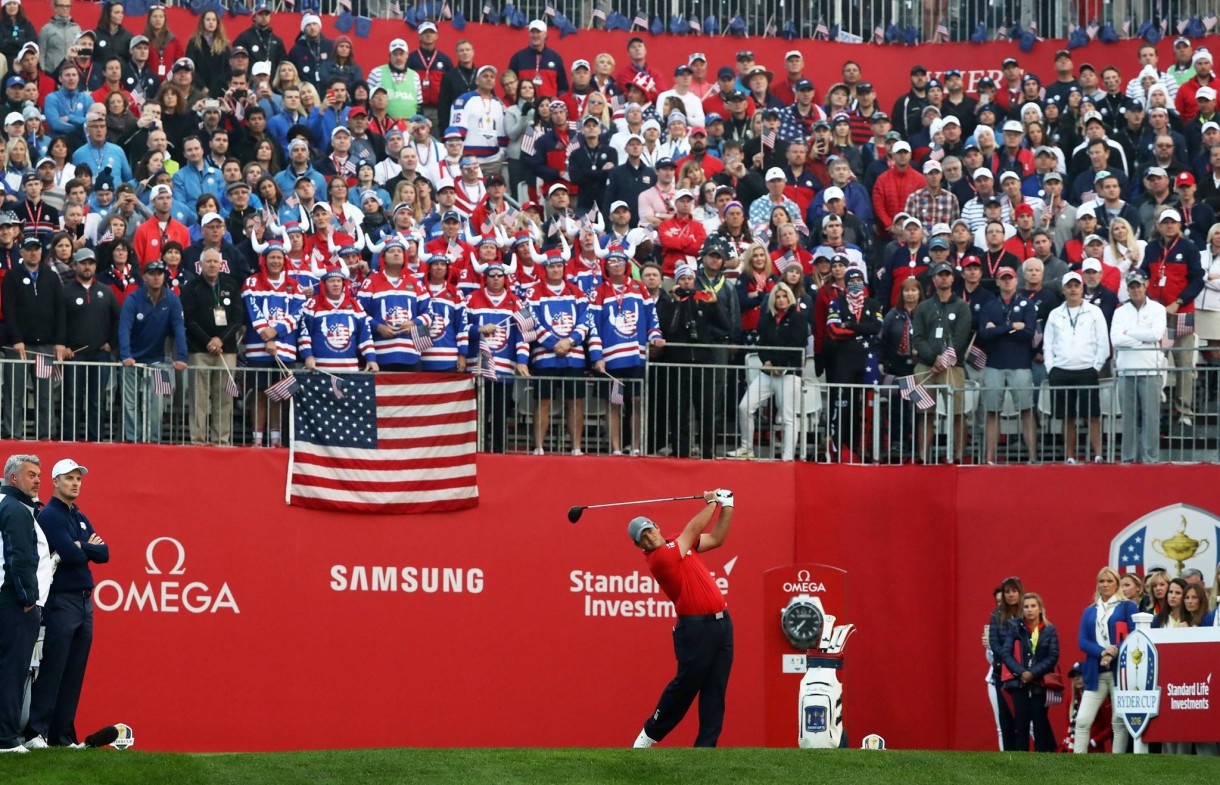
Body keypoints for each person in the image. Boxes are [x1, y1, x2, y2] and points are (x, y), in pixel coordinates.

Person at [630, 489, 734, 749]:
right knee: (686, 686)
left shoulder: (677, 543)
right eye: (643, 537)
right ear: (640, 546)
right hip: (694, 629)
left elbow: (717, 539)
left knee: (715, 687)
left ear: (657, 527)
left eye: (650, 530)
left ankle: (705, 749)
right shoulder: (659, 558)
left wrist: (728, 506)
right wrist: (712, 502)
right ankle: (649, 734)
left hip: (722, 624)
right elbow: (693, 529)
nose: (650, 536)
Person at [22, 458, 106, 750]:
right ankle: (36, 733)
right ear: (55, 481)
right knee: (53, 668)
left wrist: (85, 547)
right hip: (60, 601)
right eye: (69, 478)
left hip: (84, 601)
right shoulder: (51, 516)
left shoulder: (79, 516)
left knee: (74, 671)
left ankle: (62, 736)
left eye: (78, 479)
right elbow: (70, 555)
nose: (75, 483)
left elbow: (105, 553)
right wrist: (85, 547)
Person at [728, 283, 806, 461]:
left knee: (788, 416)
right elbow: (761, 344)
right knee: (745, 406)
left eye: (784, 296)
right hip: (767, 373)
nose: (780, 300)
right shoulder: (767, 318)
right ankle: (746, 448)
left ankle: (787, 458)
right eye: (777, 297)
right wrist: (767, 361)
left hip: (789, 373)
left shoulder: (798, 319)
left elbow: (796, 345)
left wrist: (780, 364)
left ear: (789, 298)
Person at [0, 453, 45, 754]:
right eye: (31, 474)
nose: (38, 479)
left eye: (39, 474)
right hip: (15, 601)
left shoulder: (10, 505)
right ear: (14, 478)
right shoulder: (15, 508)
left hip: (9, 597)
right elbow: (20, 558)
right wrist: (28, 599)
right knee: (13, 671)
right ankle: (5, 739)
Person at [118, 259, 188, 443]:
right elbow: (124, 327)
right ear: (144, 277)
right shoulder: (133, 298)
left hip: (158, 358)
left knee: (156, 403)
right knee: (130, 402)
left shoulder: (172, 299)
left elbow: (179, 328)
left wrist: (182, 357)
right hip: (133, 358)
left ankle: (152, 439)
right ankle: (133, 439)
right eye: (152, 273)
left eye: (159, 273)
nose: (156, 277)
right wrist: (126, 355)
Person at [1043, 272, 1110, 463]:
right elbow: (1048, 344)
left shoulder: (1094, 312)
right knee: (1067, 416)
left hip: (1087, 370)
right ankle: (1070, 456)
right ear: (1063, 289)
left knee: (1093, 415)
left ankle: (1098, 454)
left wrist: (1095, 367)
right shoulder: (1055, 314)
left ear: (1082, 288)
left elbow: (1103, 342)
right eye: (1069, 286)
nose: (1073, 289)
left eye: (1076, 286)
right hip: (1061, 370)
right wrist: (1051, 368)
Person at [181, 248, 243, 447]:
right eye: (208, 261)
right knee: (198, 398)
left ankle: (221, 440)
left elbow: (236, 318)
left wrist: (220, 340)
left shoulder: (231, 285)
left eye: (215, 261)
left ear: (221, 263)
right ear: (201, 264)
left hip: (227, 350)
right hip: (199, 349)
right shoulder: (191, 287)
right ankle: (197, 440)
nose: (212, 265)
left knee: (224, 398)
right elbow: (189, 320)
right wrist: (209, 341)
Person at [1072, 566, 1136, 754]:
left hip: (1119, 672)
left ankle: (1116, 763)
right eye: (1102, 581)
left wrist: (1113, 653)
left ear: (1117, 583)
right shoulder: (1090, 611)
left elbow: (1133, 634)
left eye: (1109, 581)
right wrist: (1102, 652)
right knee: (1083, 720)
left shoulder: (1127, 606)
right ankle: (1076, 762)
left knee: (1118, 720)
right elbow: (1082, 641)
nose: (1105, 584)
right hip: (1095, 672)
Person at [1110, 272, 1168, 464]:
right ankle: (1129, 459)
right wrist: (1141, 339)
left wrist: (1130, 334)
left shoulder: (1158, 309)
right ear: (1127, 289)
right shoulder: (1120, 311)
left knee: (1151, 418)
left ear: (1145, 286)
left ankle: (1151, 459)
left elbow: (1156, 334)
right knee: (1128, 419)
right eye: (1132, 286)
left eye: (1139, 286)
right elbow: (1116, 339)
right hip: (1126, 371)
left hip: (1151, 370)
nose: (1136, 290)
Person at [1000, 593, 1060, 752]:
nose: (1030, 610)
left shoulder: (1049, 629)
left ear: (1040, 609)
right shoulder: (1015, 627)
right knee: (1021, 726)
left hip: (1040, 684)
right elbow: (1006, 653)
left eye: (1033, 606)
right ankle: (1021, 765)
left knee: (1040, 727)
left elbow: (1052, 656)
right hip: (1019, 684)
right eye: (1026, 607)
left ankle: (1040, 765)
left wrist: (1032, 673)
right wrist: (1021, 672)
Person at [986, 577, 1023, 751]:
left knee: (1024, 722)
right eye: (1007, 592)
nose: (1010, 595)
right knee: (1006, 721)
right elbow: (995, 644)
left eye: (1014, 591)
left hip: (1026, 675)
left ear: (1020, 592)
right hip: (1003, 675)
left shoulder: (1027, 611)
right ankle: (1009, 760)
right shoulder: (996, 615)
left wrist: (1022, 668)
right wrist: (1012, 663)